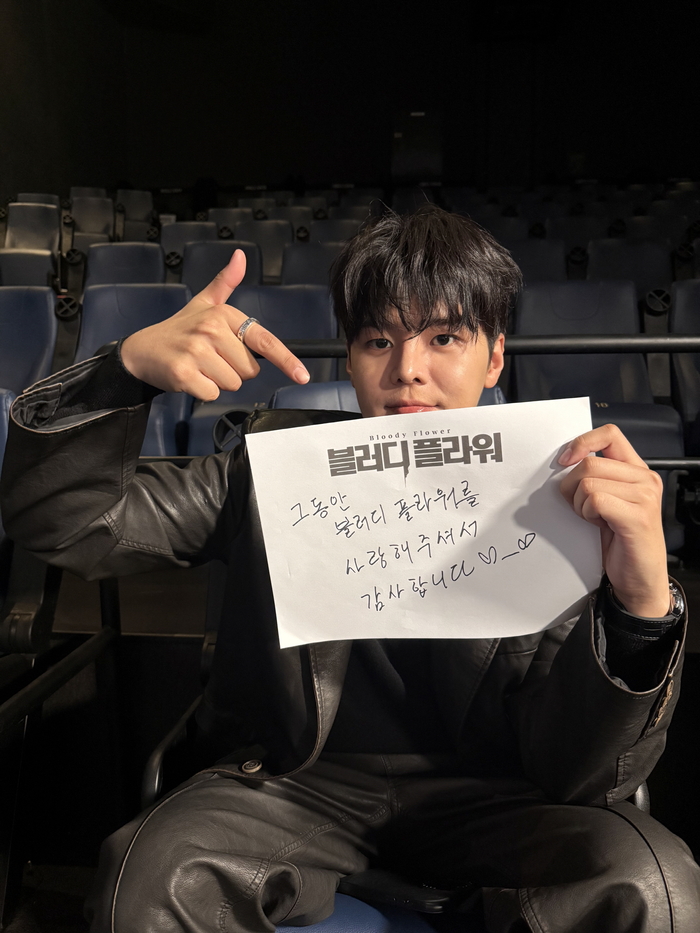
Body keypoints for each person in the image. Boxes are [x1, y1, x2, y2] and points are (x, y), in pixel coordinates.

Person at [1, 205, 698, 933]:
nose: (408, 370)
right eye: (377, 340)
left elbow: (588, 769)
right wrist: (120, 374)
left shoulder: (566, 484)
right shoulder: (272, 470)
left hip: (503, 795)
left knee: (657, 885)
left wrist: (642, 602)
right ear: (351, 354)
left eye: (444, 338)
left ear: (495, 357)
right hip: (298, 789)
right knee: (147, 876)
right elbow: (62, 520)